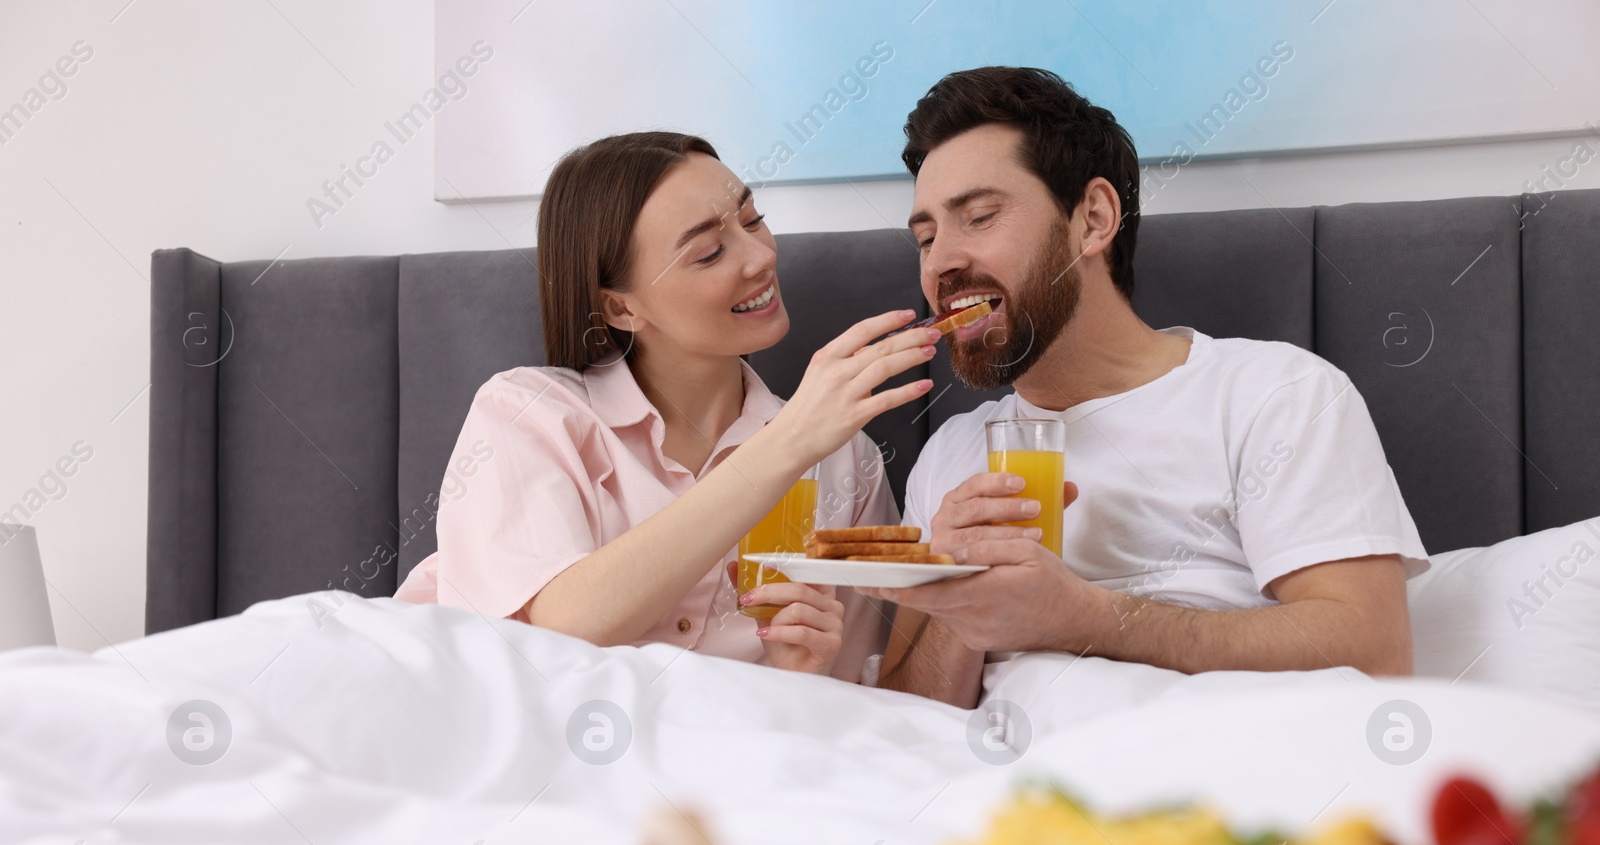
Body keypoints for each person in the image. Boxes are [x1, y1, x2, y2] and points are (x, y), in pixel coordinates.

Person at [867, 68, 1429, 708]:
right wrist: (967, 598)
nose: (939, 262)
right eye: (926, 238)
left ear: (1094, 219)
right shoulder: (951, 455)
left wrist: (1083, 617)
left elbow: (1375, 652)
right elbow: (905, 716)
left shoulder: (1274, 395)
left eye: (980, 216)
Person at [395, 132, 939, 682]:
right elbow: (555, 630)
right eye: (708, 252)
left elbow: (868, 701)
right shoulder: (529, 414)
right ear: (620, 307)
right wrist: (787, 442)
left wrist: (804, 671)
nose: (761, 255)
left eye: (752, 220)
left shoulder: (845, 460)